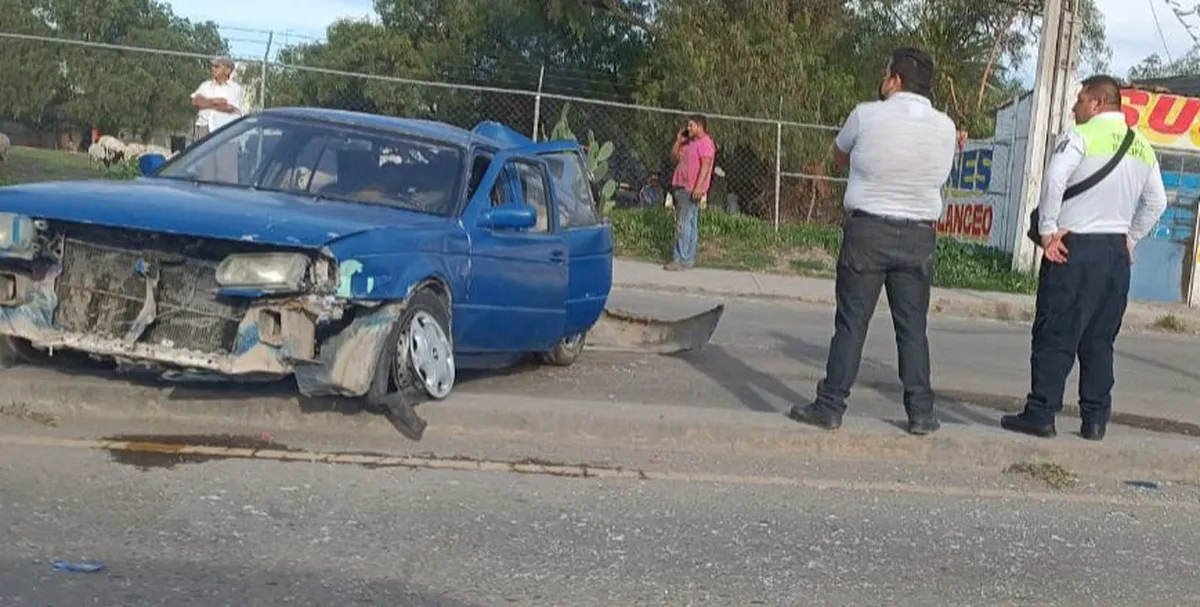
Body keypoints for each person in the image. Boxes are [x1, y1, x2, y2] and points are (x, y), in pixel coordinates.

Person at [788, 47, 957, 436]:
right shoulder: (946, 127)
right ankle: (921, 413)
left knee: (851, 323)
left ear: (895, 79)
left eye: (886, 73)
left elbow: (840, 156)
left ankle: (830, 406)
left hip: (868, 231)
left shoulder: (866, 115)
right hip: (918, 236)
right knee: (912, 327)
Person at [1001, 75, 1168, 442]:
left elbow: (1054, 180)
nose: (1075, 107)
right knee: (1099, 339)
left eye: (1079, 100)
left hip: (1073, 250)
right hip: (1114, 257)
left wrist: (1047, 232)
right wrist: (1131, 237)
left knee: (1055, 333)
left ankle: (1041, 413)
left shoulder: (1080, 136)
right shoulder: (1140, 145)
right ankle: (1094, 419)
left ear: (1096, 102)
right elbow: (1158, 202)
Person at [664, 115, 716, 271]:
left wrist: (699, 187)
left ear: (700, 126)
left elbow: (706, 166)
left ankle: (680, 258)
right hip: (680, 185)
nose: (688, 128)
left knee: (684, 223)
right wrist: (679, 141)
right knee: (690, 222)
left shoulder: (705, 143)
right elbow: (674, 156)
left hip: (691, 187)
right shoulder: (689, 143)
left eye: (691, 125)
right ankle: (688, 258)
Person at [190, 56, 244, 182]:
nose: (213, 69)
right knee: (205, 171)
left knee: (227, 173)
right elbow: (195, 101)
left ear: (227, 70)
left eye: (217, 66)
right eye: (212, 66)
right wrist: (214, 102)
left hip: (225, 131)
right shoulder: (205, 86)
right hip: (204, 129)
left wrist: (206, 103)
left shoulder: (235, 89)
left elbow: (229, 108)